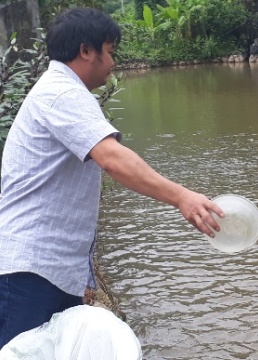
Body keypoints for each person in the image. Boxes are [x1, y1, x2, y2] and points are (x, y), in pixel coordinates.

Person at [0, 7, 223, 348]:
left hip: (45, 269)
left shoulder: (61, 91)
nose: (113, 62)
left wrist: (82, 277)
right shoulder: (63, 94)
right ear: (86, 51)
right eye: (110, 51)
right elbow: (113, 159)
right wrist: (182, 196)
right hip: (32, 270)